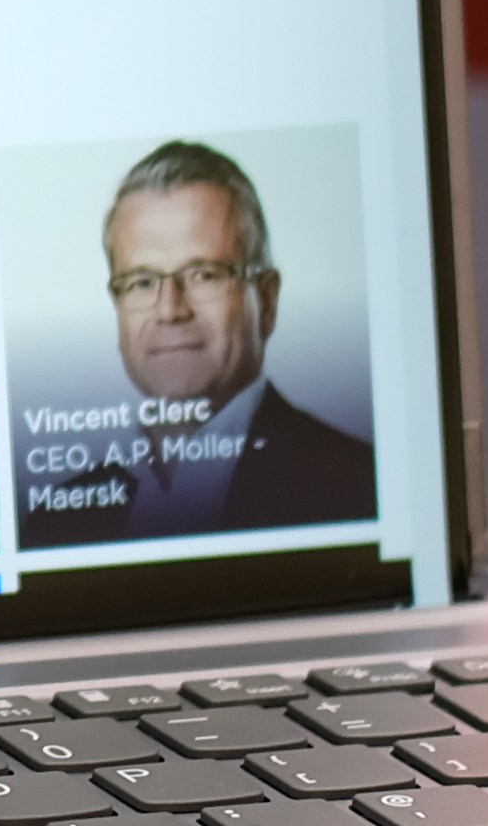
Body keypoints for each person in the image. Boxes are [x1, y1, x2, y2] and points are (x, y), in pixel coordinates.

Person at [47, 140, 375, 544]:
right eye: (142, 282)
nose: (170, 310)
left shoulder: (357, 485)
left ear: (266, 300)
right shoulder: (56, 517)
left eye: (204, 275)